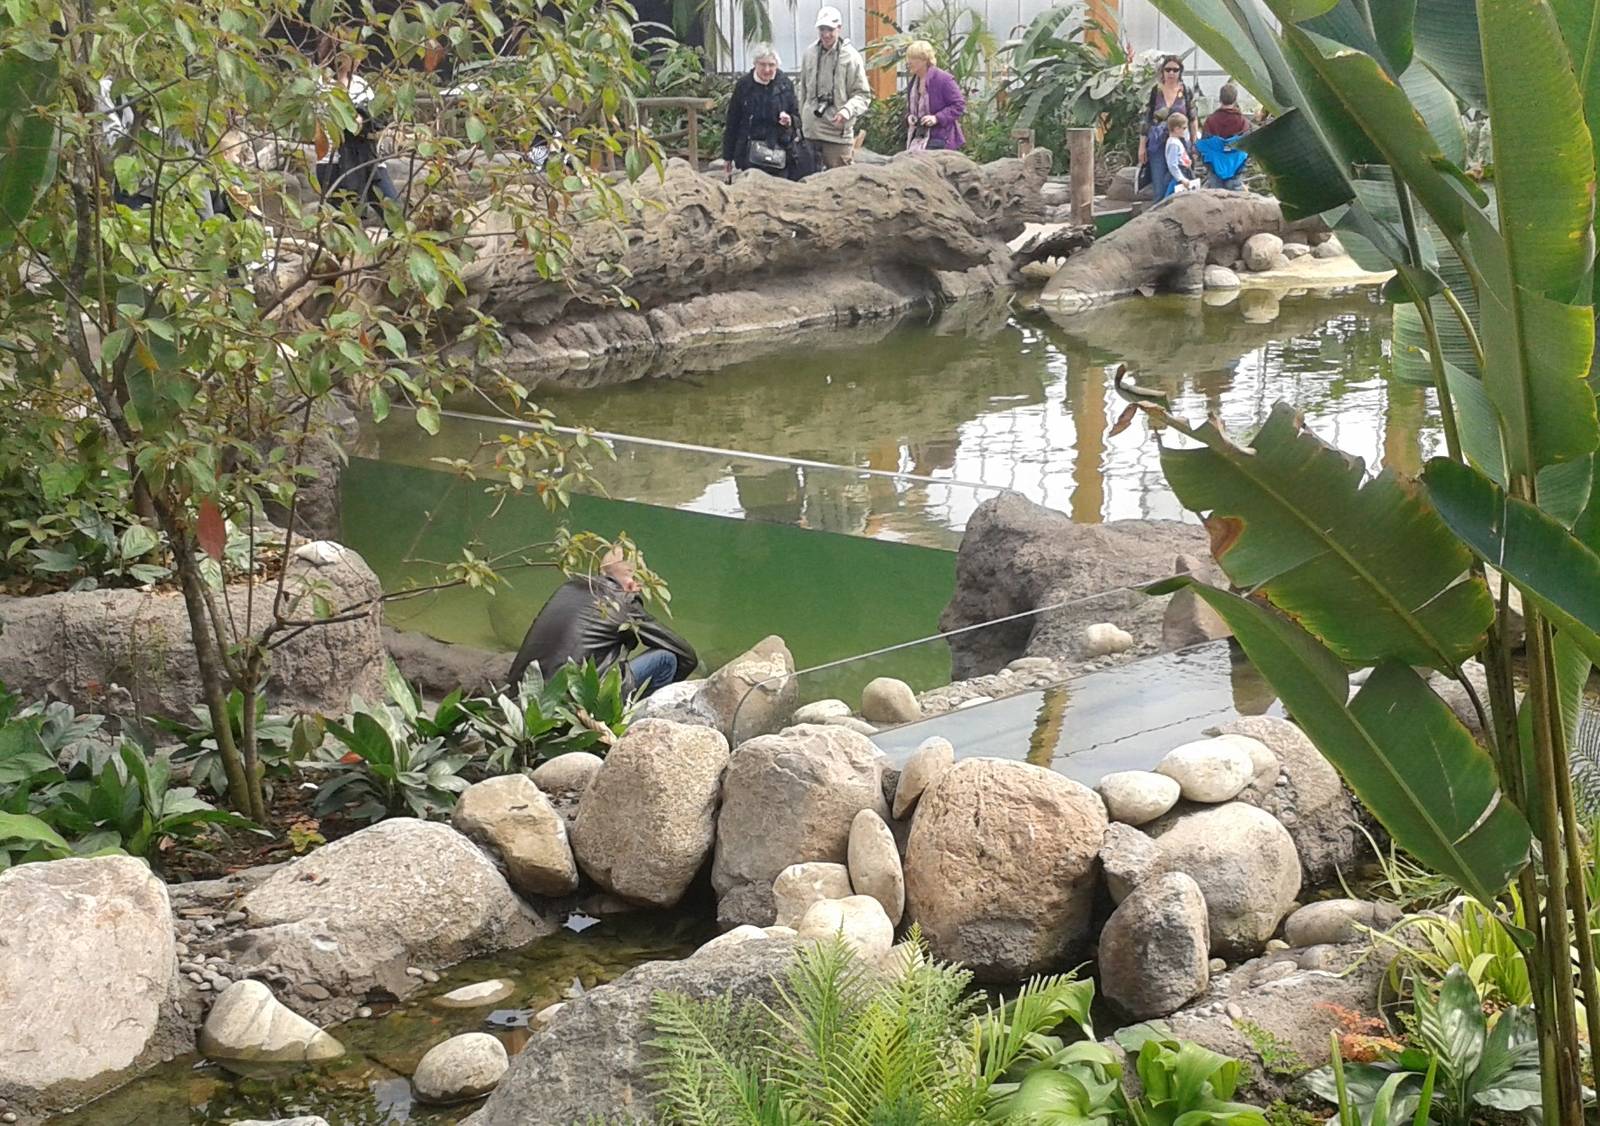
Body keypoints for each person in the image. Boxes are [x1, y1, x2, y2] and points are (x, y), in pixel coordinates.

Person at [505, 547, 698, 698]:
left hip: (521, 697)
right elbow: (687, 655)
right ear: (632, 581)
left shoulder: (567, 587)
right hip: (572, 704)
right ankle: (638, 720)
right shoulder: (623, 601)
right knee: (667, 658)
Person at [798, 6, 872, 170]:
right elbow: (802, 91)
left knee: (841, 186)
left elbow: (863, 95)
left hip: (837, 133)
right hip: (811, 132)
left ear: (839, 29)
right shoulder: (809, 54)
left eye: (830, 29)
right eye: (822, 29)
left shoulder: (851, 57)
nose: (825, 34)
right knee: (807, 184)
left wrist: (847, 111)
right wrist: (801, 121)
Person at [723, 45, 802, 180]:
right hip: (749, 152)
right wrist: (728, 156)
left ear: (777, 65)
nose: (767, 70)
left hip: (779, 151)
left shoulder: (785, 84)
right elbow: (733, 121)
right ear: (755, 64)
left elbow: (797, 118)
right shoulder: (744, 85)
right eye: (762, 65)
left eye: (771, 65)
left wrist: (789, 120)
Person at [1137, 54, 1197, 203]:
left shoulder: (1186, 91)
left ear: (1180, 72)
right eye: (1168, 69)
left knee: (1178, 184)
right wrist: (1142, 146)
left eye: (1175, 70)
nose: (1171, 73)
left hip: (1180, 144)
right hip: (1157, 144)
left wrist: (1194, 143)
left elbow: (1193, 118)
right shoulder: (1155, 91)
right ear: (1162, 71)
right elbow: (1147, 119)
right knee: (1159, 188)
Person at [904, 39, 965, 152]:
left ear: (925, 60)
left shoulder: (943, 79)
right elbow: (911, 109)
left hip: (940, 138)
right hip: (917, 137)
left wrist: (937, 118)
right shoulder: (913, 83)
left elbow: (959, 105)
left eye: (913, 58)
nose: (908, 62)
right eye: (908, 58)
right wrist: (909, 117)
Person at [1162, 113, 1198, 198]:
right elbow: (1172, 164)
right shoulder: (1173, 144)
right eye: (1184, 128)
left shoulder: (1177, 141)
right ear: (1176, 129)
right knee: (1171, 198)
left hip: (1185, 171)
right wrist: (1181, 179)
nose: (1185, 130)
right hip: (1178, 175)